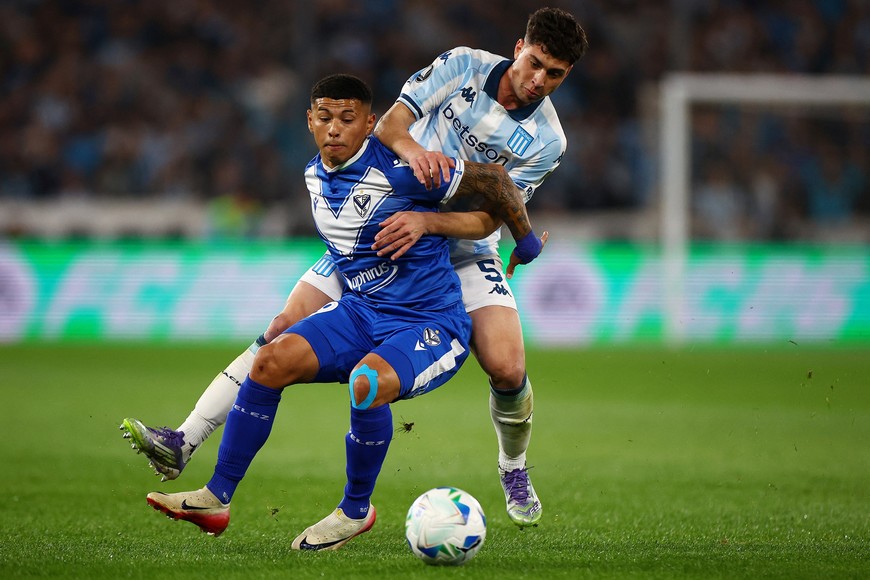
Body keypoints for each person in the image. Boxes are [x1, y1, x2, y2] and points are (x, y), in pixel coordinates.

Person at [122, 7, 588, 529]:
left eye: (555, 75)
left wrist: (429, 223)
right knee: (280, 331)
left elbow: (489, 217)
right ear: (518, 45)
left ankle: (513, 466)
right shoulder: (463, 65)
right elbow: (393, 122)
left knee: (507, 367)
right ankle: (184, 439)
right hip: (383, 223)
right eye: (535, 63)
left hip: (455, 242)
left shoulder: (549, 140)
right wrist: (412, 155)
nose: (539, 81)